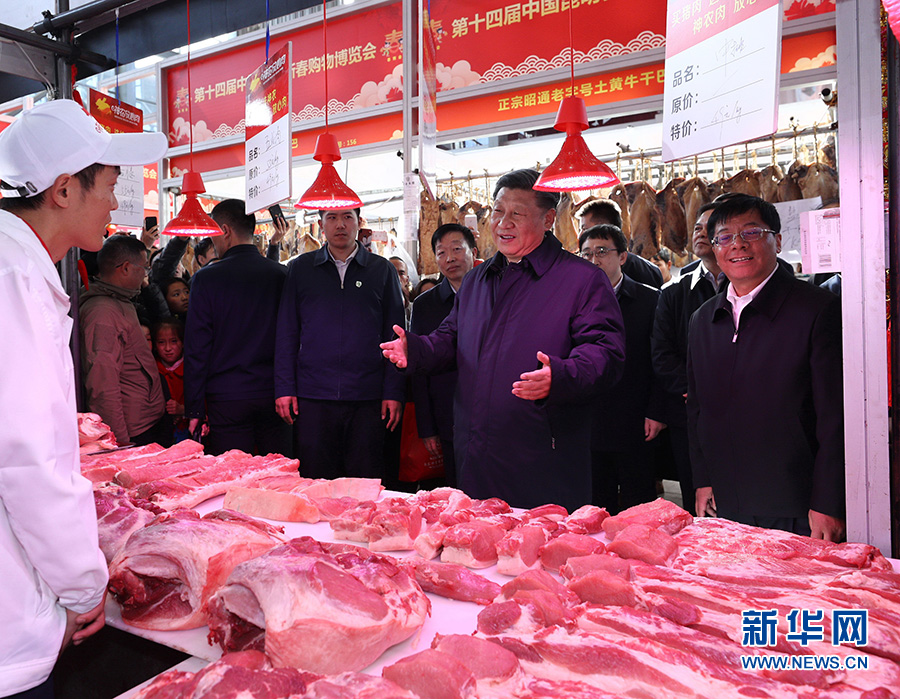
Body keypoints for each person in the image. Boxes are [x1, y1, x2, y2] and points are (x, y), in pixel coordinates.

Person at [0, 98, 165, 698]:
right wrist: (81, 586)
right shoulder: (14, 278)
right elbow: (27, 458)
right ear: (64, 189)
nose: (116, 205)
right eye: (111, 186)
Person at [382, 169, 625, 511]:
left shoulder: (582, 280)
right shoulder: (477, 280)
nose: (503, 223)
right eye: (498, 211)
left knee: (539, 540)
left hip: (541, 457)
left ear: (548, 219)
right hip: (476, 452)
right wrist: (417, 349)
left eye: (517, 214)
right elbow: (451, 338)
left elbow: (605, 353)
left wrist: (560, 376)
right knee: (478, 537)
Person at [687, 195, 845, 540]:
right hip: (726, 500)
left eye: (752, 232)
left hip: (797, 505)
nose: (738, 244)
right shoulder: (703, 319)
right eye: (724, 237)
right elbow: (698, 409)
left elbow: (835, 418)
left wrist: (828, 501)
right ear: (714, 248)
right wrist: (703, 479)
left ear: (778, 240)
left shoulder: (817, 310)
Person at [275, 207, 406, 479]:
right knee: (315, 481)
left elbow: (396, 338)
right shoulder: (301, 268)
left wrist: (393, 391)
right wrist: (284, 388)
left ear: (359, 222)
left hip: (367, 397)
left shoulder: (381, 270)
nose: (340, 225)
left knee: (365, 481)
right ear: (321, 224)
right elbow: (287, 333)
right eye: (332, 218)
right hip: (313, 396)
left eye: (347, 217)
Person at [185, 199, 292, 456]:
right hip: (274, 394)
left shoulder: (205, 279)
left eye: (213, 233)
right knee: (278, 472)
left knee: (233, 473)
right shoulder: (280, 274)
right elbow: (292, 337)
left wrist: (194, 408)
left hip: (227, 398)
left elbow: (197, 348)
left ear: (225, 230)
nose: (212, 241)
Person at [579, 224, 665, 512]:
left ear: (623, 257)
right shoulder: (574, 301)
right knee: (594, 507)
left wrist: (657, 410)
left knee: (638, 507)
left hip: (636, 418)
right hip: (590, 420)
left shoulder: (650, 299)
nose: (594, 260)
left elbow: (661, 359)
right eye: (586, 254)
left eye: (602, 251)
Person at [650, 203, 721, 514]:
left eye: (710, 227)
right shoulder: (673, 292)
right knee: (699, 506)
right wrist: (694, 389)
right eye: (697, 228)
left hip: (746, 416)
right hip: (689, 413)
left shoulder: (749, 286)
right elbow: (662, 354)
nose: (700, 233)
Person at [80, 234, 169, 446]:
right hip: (134, 431)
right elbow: (102, 385)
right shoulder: (102, 312)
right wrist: (118, 443)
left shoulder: (120, 300)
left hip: (144, 421)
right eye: (144, 268)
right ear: (126, 268)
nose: (145, 274)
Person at [409, 223, 478, 487]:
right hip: (447, 412)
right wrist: (427, 427)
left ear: (473, 252)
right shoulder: (425, 305)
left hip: (494, 413)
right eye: (441, 252)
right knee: (456, 488)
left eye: (457, 249)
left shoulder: (496, 294)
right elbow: (419, 369)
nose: (450, 258)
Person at [579, 199, 664, 288]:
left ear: (604, 227)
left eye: (584, 229)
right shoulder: (652, 270)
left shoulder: (649, 272)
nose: (580, 235)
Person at [152, 319, 190, 443]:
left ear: (183, 342)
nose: (168, 348)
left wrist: (183, 409)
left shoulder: (192, 368)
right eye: (161, 342)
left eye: (174, 341)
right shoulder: (152, 369)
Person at [391, 256, 413, 327]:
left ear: (407, 280)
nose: (397, 277)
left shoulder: (414, 309)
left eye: (401, 273)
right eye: (392, 272)